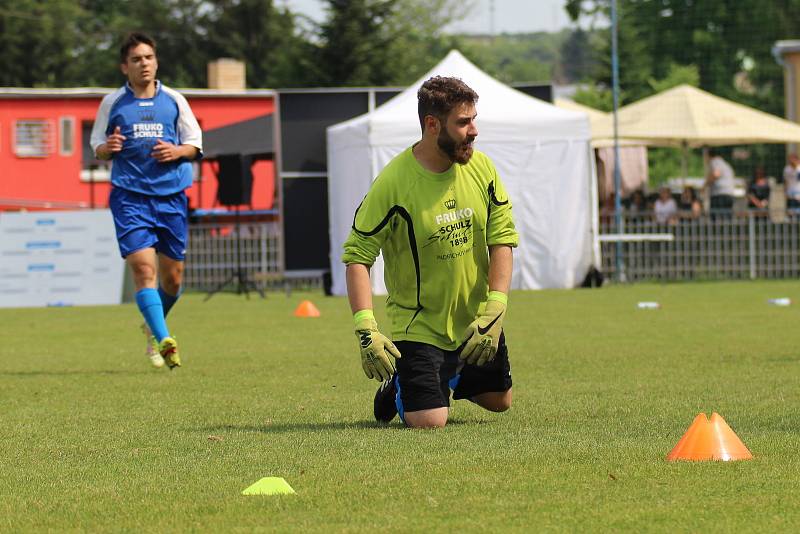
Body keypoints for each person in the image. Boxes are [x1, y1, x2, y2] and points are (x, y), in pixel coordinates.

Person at [342, 76, 519, 429]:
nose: (474, 131)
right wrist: (366, 329)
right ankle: (399, 387)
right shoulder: (393, 184)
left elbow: (502, 238)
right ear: (432, 124)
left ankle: (447, 373)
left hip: (475, 322)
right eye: (464, 122)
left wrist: (495, 308)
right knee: (429, 422)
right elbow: (358, 257)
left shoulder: (482, 168)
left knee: (500, 402)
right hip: (419, 325)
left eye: (474, 119)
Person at [90, 32, 202, 369]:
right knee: (143, 270)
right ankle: (164, 341)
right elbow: (96, 144)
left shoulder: (174, 100)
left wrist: (177, 150)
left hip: (171, 197)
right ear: (125, 66)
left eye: (149, 58)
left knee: (174, 279)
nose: (144, 64)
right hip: (130, 197)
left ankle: (153, 328)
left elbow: (195, 143)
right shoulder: (112, 103)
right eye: (137, 59)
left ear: (156, 62)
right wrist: (107, 148)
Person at [704, 149, 735, 213]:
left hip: (719, 195)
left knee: (716, 218)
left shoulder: (715, 161)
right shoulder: (725, 163)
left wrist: (705, 185)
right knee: (726, 218)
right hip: (728, 194)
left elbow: (716, 174)